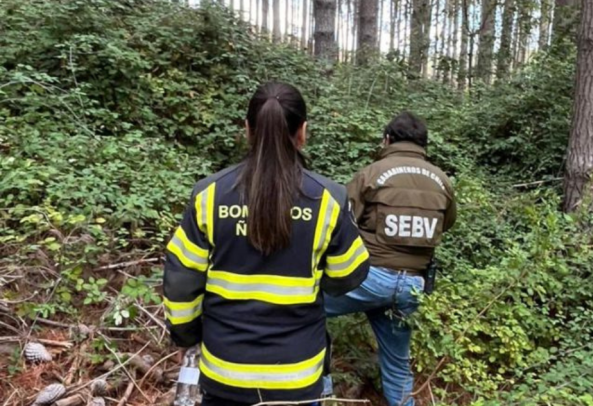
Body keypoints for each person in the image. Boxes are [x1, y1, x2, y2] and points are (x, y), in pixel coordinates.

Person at [162, 82, 370, 406]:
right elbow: (351, 273)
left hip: (224, 372)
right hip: (297, 376)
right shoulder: (328, 199)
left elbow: (180, 282)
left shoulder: (209, 195)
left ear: (247, 129)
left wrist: (188, 335)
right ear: (303, 131)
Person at [324, 111, 457, 406]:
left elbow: (339, 222)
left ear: (387, 139)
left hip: (369, 278)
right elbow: (447, 224)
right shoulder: (443, 181)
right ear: (424, 144)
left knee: (306, 307)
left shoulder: (371, 174)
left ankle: (319, 393)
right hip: (413, 286)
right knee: (397, 365)